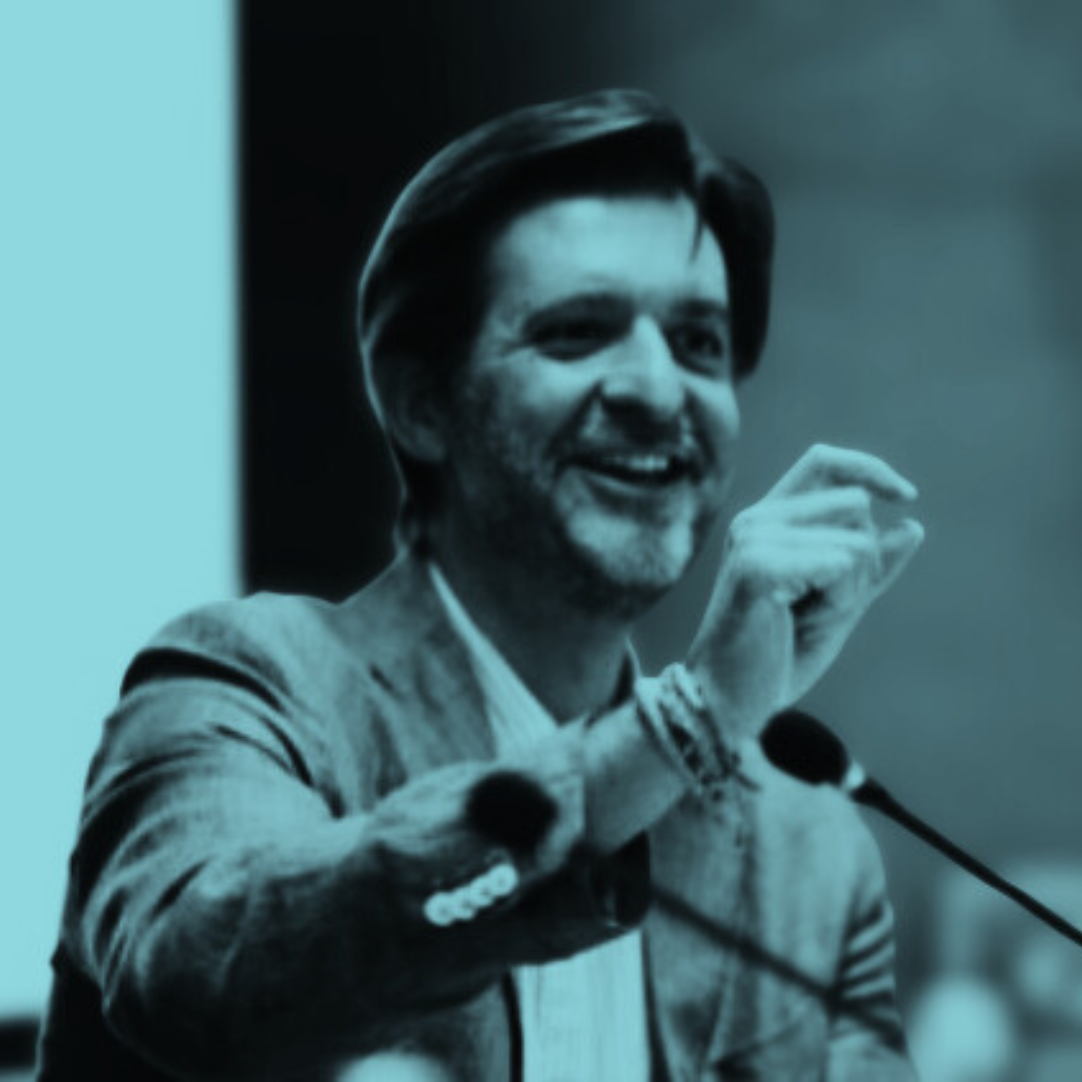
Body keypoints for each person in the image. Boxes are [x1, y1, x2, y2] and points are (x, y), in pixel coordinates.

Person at [37, 89, 924, 1080]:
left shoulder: (809, 848)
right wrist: (686, 723)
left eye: (697, 343)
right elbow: (205, 980)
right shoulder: (245, 687)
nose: (657, 388)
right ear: (420, 403)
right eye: (576, 331)